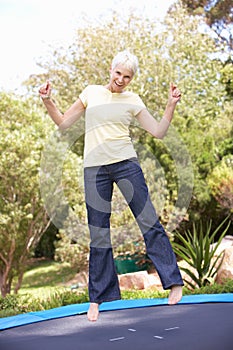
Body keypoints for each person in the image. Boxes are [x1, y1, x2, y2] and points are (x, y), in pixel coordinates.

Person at [39, 50, 184, 322]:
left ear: (131, 79)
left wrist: (170, 104)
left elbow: (158, 131)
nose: (121, 79)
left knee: (148, 221)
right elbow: (63, 123)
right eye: (118, 73)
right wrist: (48, 100)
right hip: (94, 169)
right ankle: (97, 298)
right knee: (98, 233)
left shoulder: (132, 100)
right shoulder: (91, 92)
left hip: (126, 163)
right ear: (111, 69)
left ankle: (174, 282)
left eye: (127, 76)